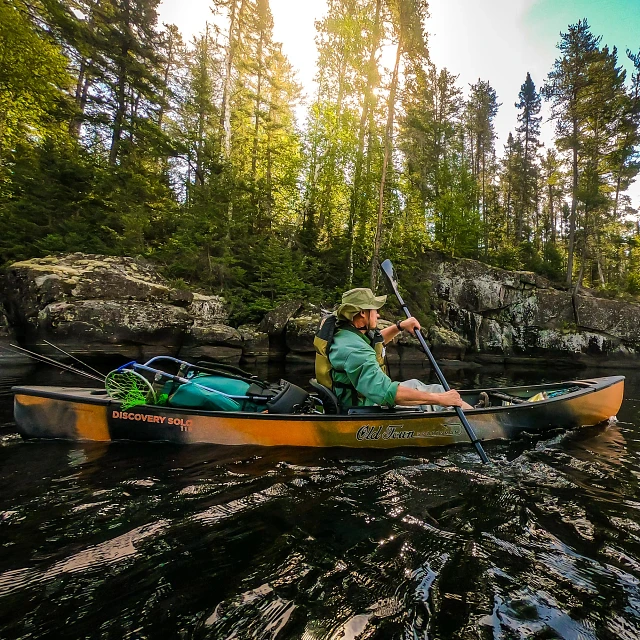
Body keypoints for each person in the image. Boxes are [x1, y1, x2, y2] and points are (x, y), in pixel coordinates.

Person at [317, 287, 473, 412]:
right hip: (366, 407)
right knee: (439, 392)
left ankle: (471, 411)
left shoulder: (345, 335)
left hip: (362, 399)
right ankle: (483, 421)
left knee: (425, 386)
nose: (377, 315)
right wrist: (440, 399)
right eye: (375, 310)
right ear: (362, 313)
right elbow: (386, 392)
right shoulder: (355, 351)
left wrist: (400, 326)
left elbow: (376, 342)